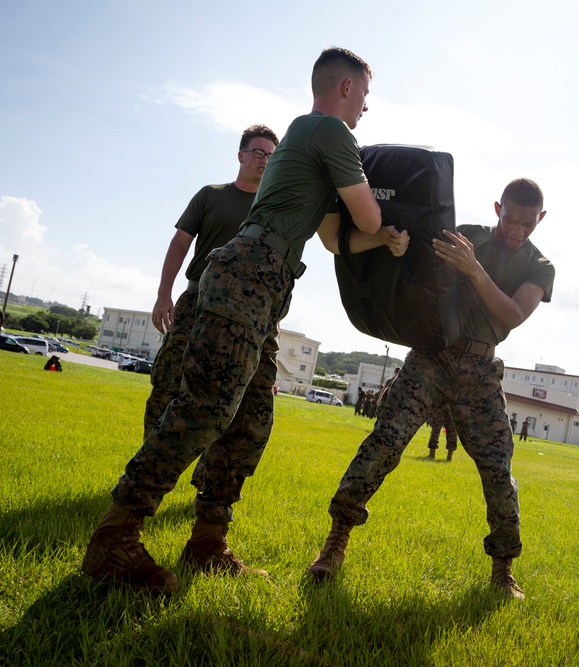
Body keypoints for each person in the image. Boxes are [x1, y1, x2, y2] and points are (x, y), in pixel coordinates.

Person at [82, 47, 409, 595]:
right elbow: (367, 216)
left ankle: (207, 542)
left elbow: (334, 239)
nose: (367, 109)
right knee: (206, 408)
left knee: (250, 419)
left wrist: (384, 239)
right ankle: (115, 535)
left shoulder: (309, 144)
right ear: (346, 89)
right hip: (247, 275)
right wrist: (386, 227)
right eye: (366, 96)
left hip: (263, 285)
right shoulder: (328, 132)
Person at [307, 177, 556, 600]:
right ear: (498, 208)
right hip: (433, 356)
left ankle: (503, 569)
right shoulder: (466, 236)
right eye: (510, 220)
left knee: (498, 469)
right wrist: (401, 248)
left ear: (541, 219)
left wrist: (473, 269)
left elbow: (512, 314)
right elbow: (415, 268)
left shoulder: (539, 266)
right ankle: (335, 542)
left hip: (479, 370)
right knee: (384, 441)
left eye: (527, 225)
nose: (516, 230)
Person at [142, 124, 280, 439]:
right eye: (258, 152)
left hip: (247, 313)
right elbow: (180, 243)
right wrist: (164, 295)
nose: (264, 160)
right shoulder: (210, 195)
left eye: (272, 156)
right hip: (198, 303)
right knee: (168, 384)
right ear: (241, 154)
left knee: (233, 397)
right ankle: (145, 466)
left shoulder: (274, 206)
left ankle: (210, 481)